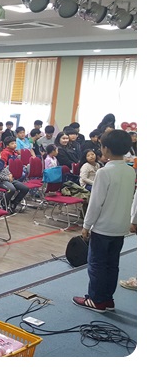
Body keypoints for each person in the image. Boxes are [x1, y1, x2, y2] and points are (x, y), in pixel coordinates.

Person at [73, 129, 136, 313]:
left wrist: (86, 226)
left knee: (97, 265)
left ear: (106, 149)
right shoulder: (130, 171)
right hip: (120, 227)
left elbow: (95, 203)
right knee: (112, 264)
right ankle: (107, 299)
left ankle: (96, 300)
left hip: (103, 227)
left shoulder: (104, 172)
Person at [0, 144, 29, 214]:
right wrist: (7, 178)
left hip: (7, 180)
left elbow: (4, 169)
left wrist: (10, 174)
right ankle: (4, 203)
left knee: (25, 188)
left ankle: (14, 203)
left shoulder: (0, 161)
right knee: (11, 189)